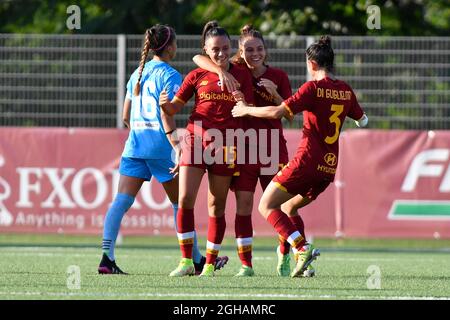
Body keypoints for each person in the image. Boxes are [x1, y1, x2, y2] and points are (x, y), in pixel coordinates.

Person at [232, 35, 368, 277]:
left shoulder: (312, 88)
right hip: (328, 168)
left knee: (266, 205)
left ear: (311, 64)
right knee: (289, 208)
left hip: (306, 162)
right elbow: (363, 120)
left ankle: (302, 247)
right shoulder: (346, 90)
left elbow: (277, 112)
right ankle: (305, 266)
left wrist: (244, 109)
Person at [98, 24, 227, 275]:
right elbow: (169, 111)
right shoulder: (169, 74)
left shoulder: (137, 73)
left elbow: (126, 115)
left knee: (121, 202)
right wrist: (176, 144)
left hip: (135, 145)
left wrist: (139, 130)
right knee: (182, 205)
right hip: (162, 146)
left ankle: (106, 257)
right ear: (169, 47)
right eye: (175, 44)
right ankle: (196, 260)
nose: (176, 48)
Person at [192, 25, 311, 277]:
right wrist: (218, 71)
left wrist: (275, 93)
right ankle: (246, 265)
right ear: (241, 52)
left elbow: (290, 114)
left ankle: (286, 255)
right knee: (244, 206)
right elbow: (198, 58)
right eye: (249, 49)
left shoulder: (278, 75)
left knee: (282, 203)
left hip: (273, 149)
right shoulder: (236, 69)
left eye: (259, 49)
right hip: (244, 149)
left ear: (266, 51)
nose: (254, 53)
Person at [159, 21, 254, 277]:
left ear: (231, 48)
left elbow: (249, 110)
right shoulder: (196, 75)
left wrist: (243, 103)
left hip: (227, 146)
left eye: (225, 48)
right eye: (215, 49)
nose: (221, 53)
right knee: (185, 200)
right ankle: (186, 261)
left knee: (216, 207)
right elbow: (172, 109)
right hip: (195, 141)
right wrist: (164, 104)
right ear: (206, 49)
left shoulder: (242, 75)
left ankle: (209, 264)